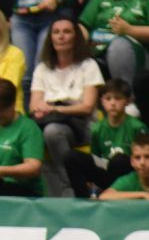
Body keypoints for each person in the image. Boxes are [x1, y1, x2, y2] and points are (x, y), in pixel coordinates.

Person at [29, 17, 103, 179]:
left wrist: (55, 108)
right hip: (51, 121)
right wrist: (45, 110)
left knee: (53, 131)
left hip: (82, 123)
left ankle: (72, 182)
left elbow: (87, 107)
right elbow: (34, 105)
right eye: (56, 32)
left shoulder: (88, 65)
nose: (61, 36)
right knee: (40, 130)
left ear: (76, 37)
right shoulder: (42, 68)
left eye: (66, 32)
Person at [63, 79, 144, 197]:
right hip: (107, 173)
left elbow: (144, 157)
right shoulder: (97, 128)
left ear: (127, 101)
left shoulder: (137, 127)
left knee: (119, 160)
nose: (112, 103)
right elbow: (96, 157)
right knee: (70, 157)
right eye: (108, 99)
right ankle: (83, 201)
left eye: (118, 98)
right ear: (102, 101)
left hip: (130, 176)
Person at [99, 132, 149, 201]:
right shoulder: (129, 179)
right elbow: (104, 197)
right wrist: (143, 195)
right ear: (132, 161)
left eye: (148, 157)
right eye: (137, 158)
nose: (142, 163)